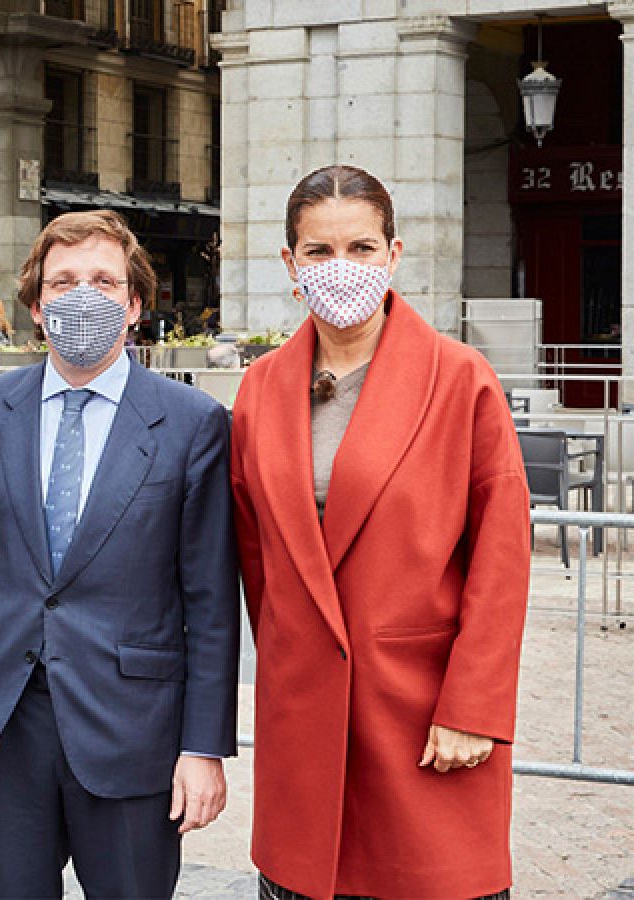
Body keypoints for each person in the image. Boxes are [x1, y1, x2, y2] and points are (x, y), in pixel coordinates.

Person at [0, 210, 239, 899]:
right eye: (63, 282)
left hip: (134, 731)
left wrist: (203, 747)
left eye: (103, 281)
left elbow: (209, 601)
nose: (82, 295)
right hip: (4, 721)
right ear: (35, 304)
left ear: (135, 302)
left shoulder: (191, 423)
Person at [230, 165, 528, 900]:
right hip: (306, 720)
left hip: (425, 716)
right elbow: (257, 555)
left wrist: (474, 707)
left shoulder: (461, 380)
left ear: (394, 255)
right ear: (290, 263)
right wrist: (294, 663)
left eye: (361, 248)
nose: (341, 268)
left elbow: (501, 556)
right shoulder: (262, 389)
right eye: (319, 251)